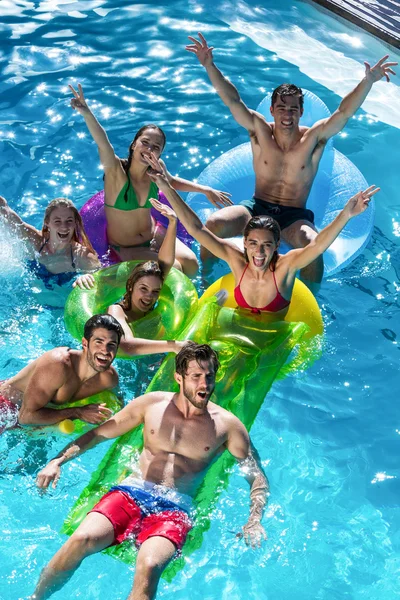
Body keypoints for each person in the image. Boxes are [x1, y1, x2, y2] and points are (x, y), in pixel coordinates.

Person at [32, 342, 269, 600]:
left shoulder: (228, 427)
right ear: (179, 377)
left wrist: (254, 519)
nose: (205, 385)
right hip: (132, 492)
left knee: (149, 567)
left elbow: (256, 476)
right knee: (81, 539)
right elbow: (99, 434)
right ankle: (36, 598)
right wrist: (57, 461)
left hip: (175, 508)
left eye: (209, 376)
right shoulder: (151, 404)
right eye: (196, 377)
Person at [186, 33, 396, 283]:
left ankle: (310, 302)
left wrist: (369, 80)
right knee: (213, 224)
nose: (287, 114)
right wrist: (209, 65)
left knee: (313, 246)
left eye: (293, 109)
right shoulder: (259, 131)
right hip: (256, 208)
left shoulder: (313, 138)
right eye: (282, 108)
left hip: (294, 216)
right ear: (272, 110)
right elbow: (233, 100)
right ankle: (205, 280)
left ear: (301, 112)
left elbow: (343, 112)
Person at [144, 154, 379, 317]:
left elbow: (317, 246)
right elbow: (197, 229)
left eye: (267, 245)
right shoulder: (236, 259)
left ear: (277, 245)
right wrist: (166, 187)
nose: (259, 251)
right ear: (244, 242)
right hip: (236, 326)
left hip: (271, 339)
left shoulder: (286, 266)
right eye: (254, 243)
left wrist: (347, 213)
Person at [69, 83, 233, 276]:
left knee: (191, 264)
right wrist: (87, 112)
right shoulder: (116, 173)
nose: (149, 149)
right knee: (175, 269)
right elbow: (103, 143)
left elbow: (171, 182)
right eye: (144, 143)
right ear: (133, 145)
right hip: (126, 246)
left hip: (154, 232)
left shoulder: (156, 169)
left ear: (160, 152)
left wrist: (205, 190)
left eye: (155, 147)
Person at [0, 314, 123, 433]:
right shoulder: (58, 365)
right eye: (99, 342)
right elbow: (25, 417)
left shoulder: (109, 379)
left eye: (111, 345)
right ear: (85, 343)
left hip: (36, 417)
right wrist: (78, 412)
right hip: (7, 407)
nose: (105, 351)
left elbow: (120, 406)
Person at [0, 195, 100, 287]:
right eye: (57, 221)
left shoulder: (82, 256)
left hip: (60, 303)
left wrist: (86, 277)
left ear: (75, 223)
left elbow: (102, 278)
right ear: (47, 223)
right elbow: (7, 212)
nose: (64, 227)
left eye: (69, 221)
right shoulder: (36, 241)